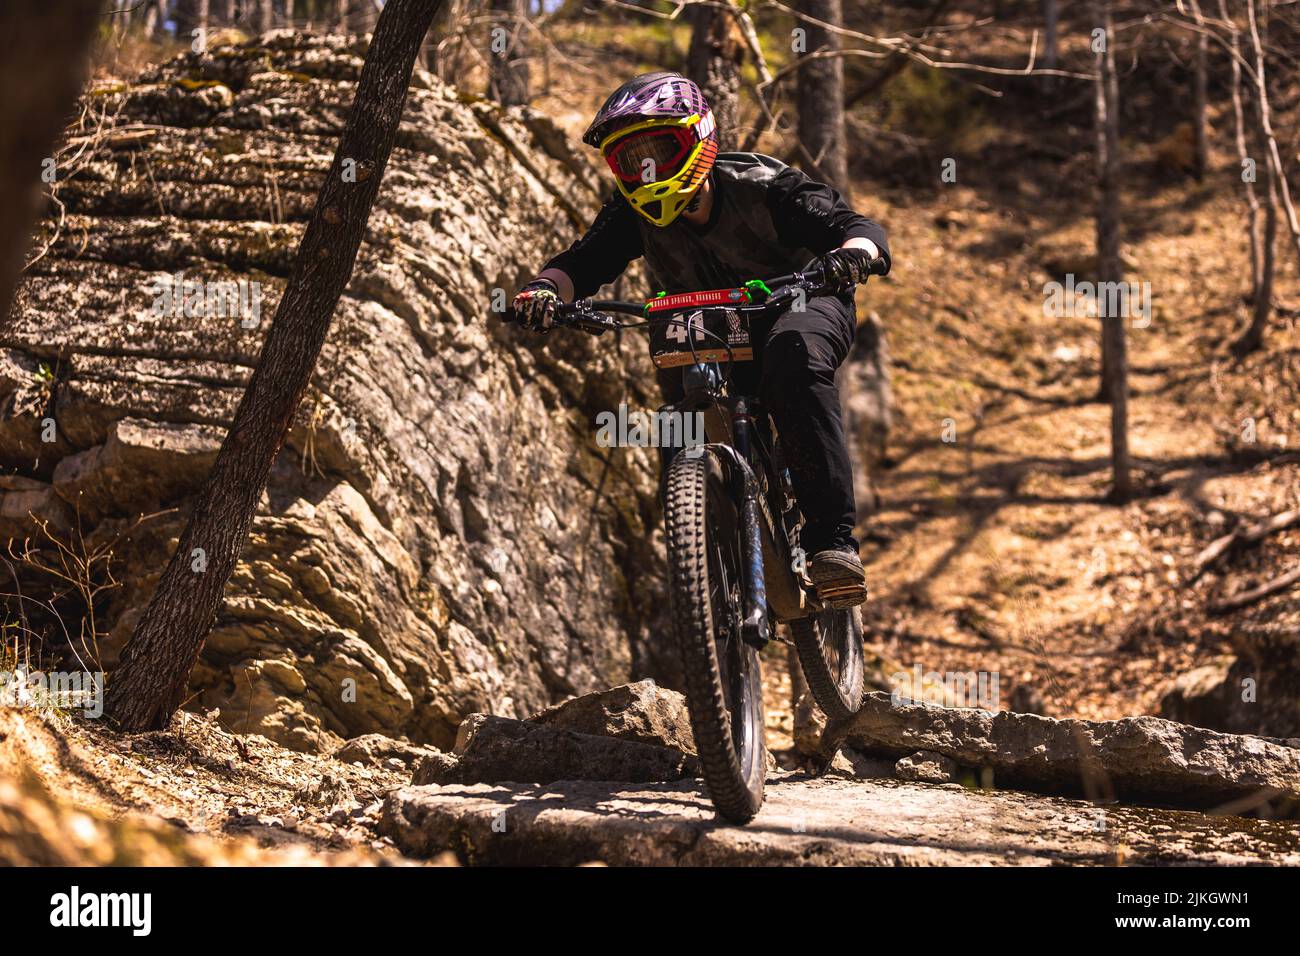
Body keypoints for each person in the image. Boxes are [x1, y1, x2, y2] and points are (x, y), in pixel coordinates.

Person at [510, 71, 890, 609]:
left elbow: (858, 228)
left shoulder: (764, 188)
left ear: (696, 140)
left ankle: (831, 542)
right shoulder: (630, 216)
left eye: (658, 154)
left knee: (793, 357)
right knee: (677, 417)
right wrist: (545, 290)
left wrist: (852, 256)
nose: (646, 173)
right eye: (630, 161)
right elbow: (582, 262)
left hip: (800, 304)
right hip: (704, 325)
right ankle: (705, 572)